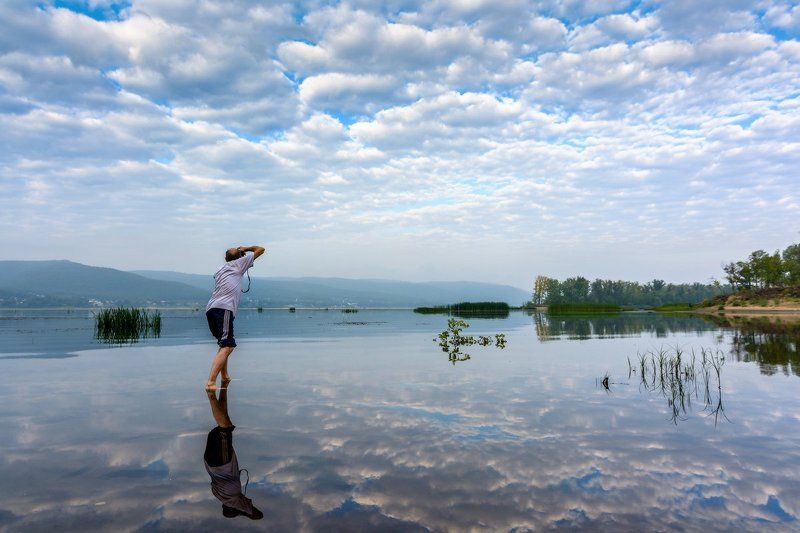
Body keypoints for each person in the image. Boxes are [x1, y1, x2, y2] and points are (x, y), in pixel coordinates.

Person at [205, 245, 265, 391]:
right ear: (240, 257)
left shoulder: (220, 269)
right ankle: (211, 383)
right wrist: (246, 248)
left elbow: (233, 259)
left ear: (226, 258)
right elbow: (261, 249)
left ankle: (224, 376)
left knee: (223, 344)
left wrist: (239, 253)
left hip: (212, 308)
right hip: (223, 308)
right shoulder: (239, 264)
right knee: (228, 346)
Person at [204, 387, 263, 520]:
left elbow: (258, 515)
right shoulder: (220, 496)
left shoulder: (232, 500)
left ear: (234, 507)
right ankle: (224, 385)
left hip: (221, 462)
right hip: (210, 461)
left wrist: (242, 511)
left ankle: (210, 393)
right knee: (225, 423)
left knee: (225, 428)